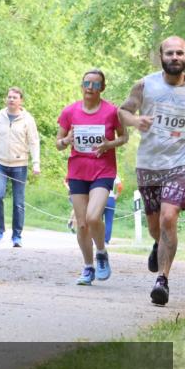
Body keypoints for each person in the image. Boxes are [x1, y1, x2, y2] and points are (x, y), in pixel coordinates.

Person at [118, 36, 185, 306]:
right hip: (149, 164)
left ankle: (162, 279)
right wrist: (137, 120)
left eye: (180, 53)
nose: (175, 57)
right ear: (161, 55)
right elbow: (122, 112)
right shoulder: (145, 85)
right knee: (155, 227)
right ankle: (157, 245)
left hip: (183, 162)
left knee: (169, 217)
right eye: (170, 53)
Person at [55, 70, 128, 285]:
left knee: (93, 217)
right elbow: (58, 143)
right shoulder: (69, 112)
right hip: (77, 171)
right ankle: (88, 267)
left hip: (103, 170)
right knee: (82, 224)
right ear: (81, 85)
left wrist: (108, 144)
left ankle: (102, 253)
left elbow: (124, 137)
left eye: (95, 84)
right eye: (87, 83)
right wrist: (66, 139)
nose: (90, 87)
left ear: (102, 88)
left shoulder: (112, 112)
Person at [0, 88, 41, 247]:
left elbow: (34, 142)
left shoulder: (28, 119)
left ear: (21, 101)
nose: (11, 99)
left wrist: (36, 163)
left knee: (18, 202)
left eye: (15, 97)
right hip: (0, 164)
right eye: (9, 97)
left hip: (20, 166)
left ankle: (17, 236)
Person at [104, 176, 124, 244]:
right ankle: (106, 240)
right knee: (109, 221)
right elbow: (120, 186)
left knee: (97, 220)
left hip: (100, 197)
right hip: (110, 198)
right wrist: (116, 195)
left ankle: (98, 239)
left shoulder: (99, 170)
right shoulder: (114, 174)